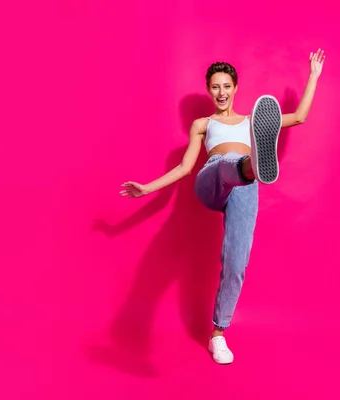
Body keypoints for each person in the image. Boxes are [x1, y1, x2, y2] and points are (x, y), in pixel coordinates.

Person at [120, 48, 326, 364]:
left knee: (237, 263)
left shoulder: (251, 121)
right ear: (209, 89)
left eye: (226, 86)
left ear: (235, 88)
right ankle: (251, 164)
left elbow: (299, 117)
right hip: (212, 180)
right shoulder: (202, 124)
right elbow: (185, 168)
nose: (221, 92)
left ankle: (218, 334)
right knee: (227, 161)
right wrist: (147, 188)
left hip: (246, 188)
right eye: (215, 86)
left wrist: (313, 75)